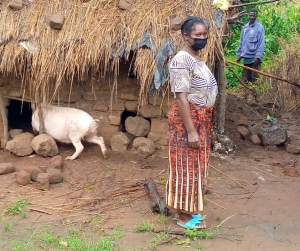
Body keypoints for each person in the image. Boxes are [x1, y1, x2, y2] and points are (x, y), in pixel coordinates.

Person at [166, 16, 218, 229]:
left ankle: (190, 208)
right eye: (198, 35)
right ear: (186, 36)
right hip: (188, 122)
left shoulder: (197, 59)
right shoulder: (181, 60)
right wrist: (191, 131)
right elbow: (181, 97)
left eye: (205, 35)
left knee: (197, 166)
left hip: (202, 120)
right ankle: (182, 215)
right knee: (184, 166)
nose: (202, 38)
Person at [236, 9, 265, 84]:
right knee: (245, 81)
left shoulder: (260, 27)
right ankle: (245, 95)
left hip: (255, 59)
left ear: (256, 16)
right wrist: (239, 55)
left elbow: (261, 43)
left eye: (253, 15)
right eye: (250, 15)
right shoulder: (245, 27)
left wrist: (258, 56)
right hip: (246, 58)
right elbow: (241, 42)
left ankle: (255, 95)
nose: (251, 17)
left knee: (255, 81)